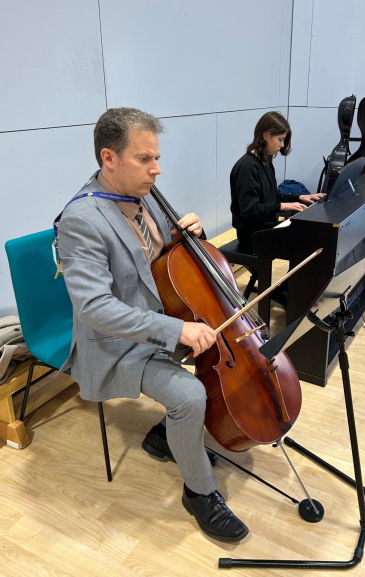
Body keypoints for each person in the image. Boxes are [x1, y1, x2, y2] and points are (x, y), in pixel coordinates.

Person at [57, 107, 249, 543]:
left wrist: (186, 234)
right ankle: (199, 493)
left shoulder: (142, 197)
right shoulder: (82, 220)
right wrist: (176, 331)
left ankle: (166, 436)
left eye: (156, 157)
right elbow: (94, 308)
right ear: (109, 158)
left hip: (160, 322)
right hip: (116, 344)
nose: (156, 169)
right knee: (190, 394)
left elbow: (159, 263)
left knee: (217, 358)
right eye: (144, 159)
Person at [230, 111, 325, 307]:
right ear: (266, 135)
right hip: (252, 234)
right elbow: (249, 210)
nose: (282, 145)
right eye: (280, 139)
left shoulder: (265, 162)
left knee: (311, 236)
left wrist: (299, 197)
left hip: (266, 227)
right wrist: (282, 206)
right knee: (305, 241)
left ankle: (289, 291)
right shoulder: (247, 167)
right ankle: (286, 294)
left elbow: (273, 196)